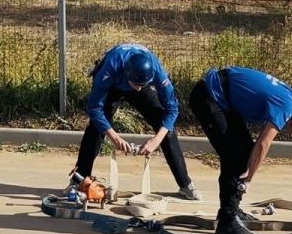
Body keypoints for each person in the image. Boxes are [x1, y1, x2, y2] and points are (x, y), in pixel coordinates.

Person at [189, 66, 292, 234]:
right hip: (209, 96)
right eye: (291, 127)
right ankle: (227, 223)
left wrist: (249, 171)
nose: (287, 128)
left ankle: (232, 211)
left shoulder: (290, 96)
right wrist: (249, 178)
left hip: (218, 95)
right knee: (235, 154)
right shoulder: (286, 107)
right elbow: (263, 143)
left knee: (243, 150)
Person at [70, 43, 201, 200]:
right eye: (135, 85)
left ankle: (185, 184)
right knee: (96, 127)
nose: (137, 89)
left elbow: (172, 109)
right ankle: (79, 179)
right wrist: (114, 137)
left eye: (141, 85)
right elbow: (94, 108)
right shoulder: (110, 68)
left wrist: (156, 140)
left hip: (138, 79)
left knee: (166, 128)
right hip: (114, 86)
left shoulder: (157, 72)